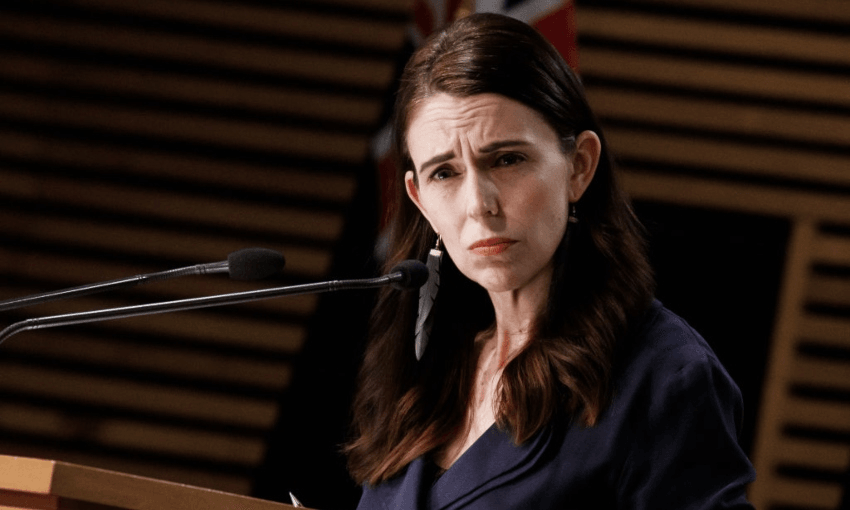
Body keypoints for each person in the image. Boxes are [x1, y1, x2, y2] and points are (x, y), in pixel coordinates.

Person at [345, 12, 756, 510]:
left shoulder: (665, 377)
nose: (479, 203)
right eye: (444, 173)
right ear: (418, 199)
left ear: (579, 166)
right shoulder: (423, 366)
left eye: (507, 159)